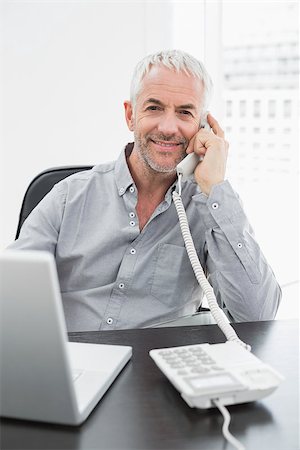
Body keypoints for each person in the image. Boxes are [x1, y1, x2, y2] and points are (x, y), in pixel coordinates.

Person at [8, 49, 281, 331]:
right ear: (130, 115)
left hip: (157, 368)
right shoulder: (67, 197)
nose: (167, 127)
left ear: (203, 126)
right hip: (72, 364)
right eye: (154, 108)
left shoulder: (208, 208)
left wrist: (215, 189)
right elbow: (11, 296)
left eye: (185, 112)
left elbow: (257, 317)